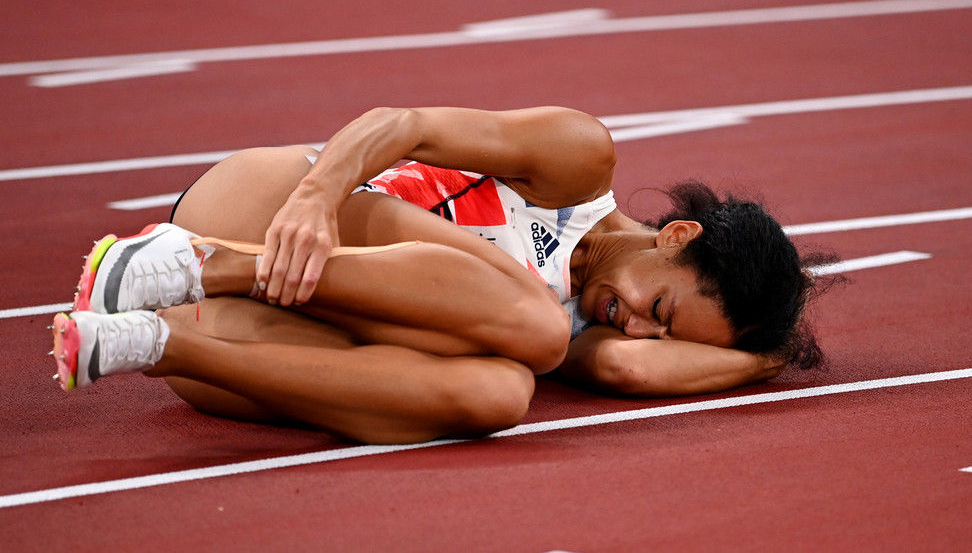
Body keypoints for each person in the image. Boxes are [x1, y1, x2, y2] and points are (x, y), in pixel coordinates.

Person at [50, 106, 830, 445]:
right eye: (659, 306)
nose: (639, 327)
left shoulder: (591, 336)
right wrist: (318, 198)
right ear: (676, 236)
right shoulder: (577, 162)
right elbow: (404, 125)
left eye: (665, 333)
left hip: (241, 337)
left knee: (498, 393)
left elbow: (631, 365)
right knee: (531, 329)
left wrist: (768, 355)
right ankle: (200, 265)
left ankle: (149, 343)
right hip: (269, 211)